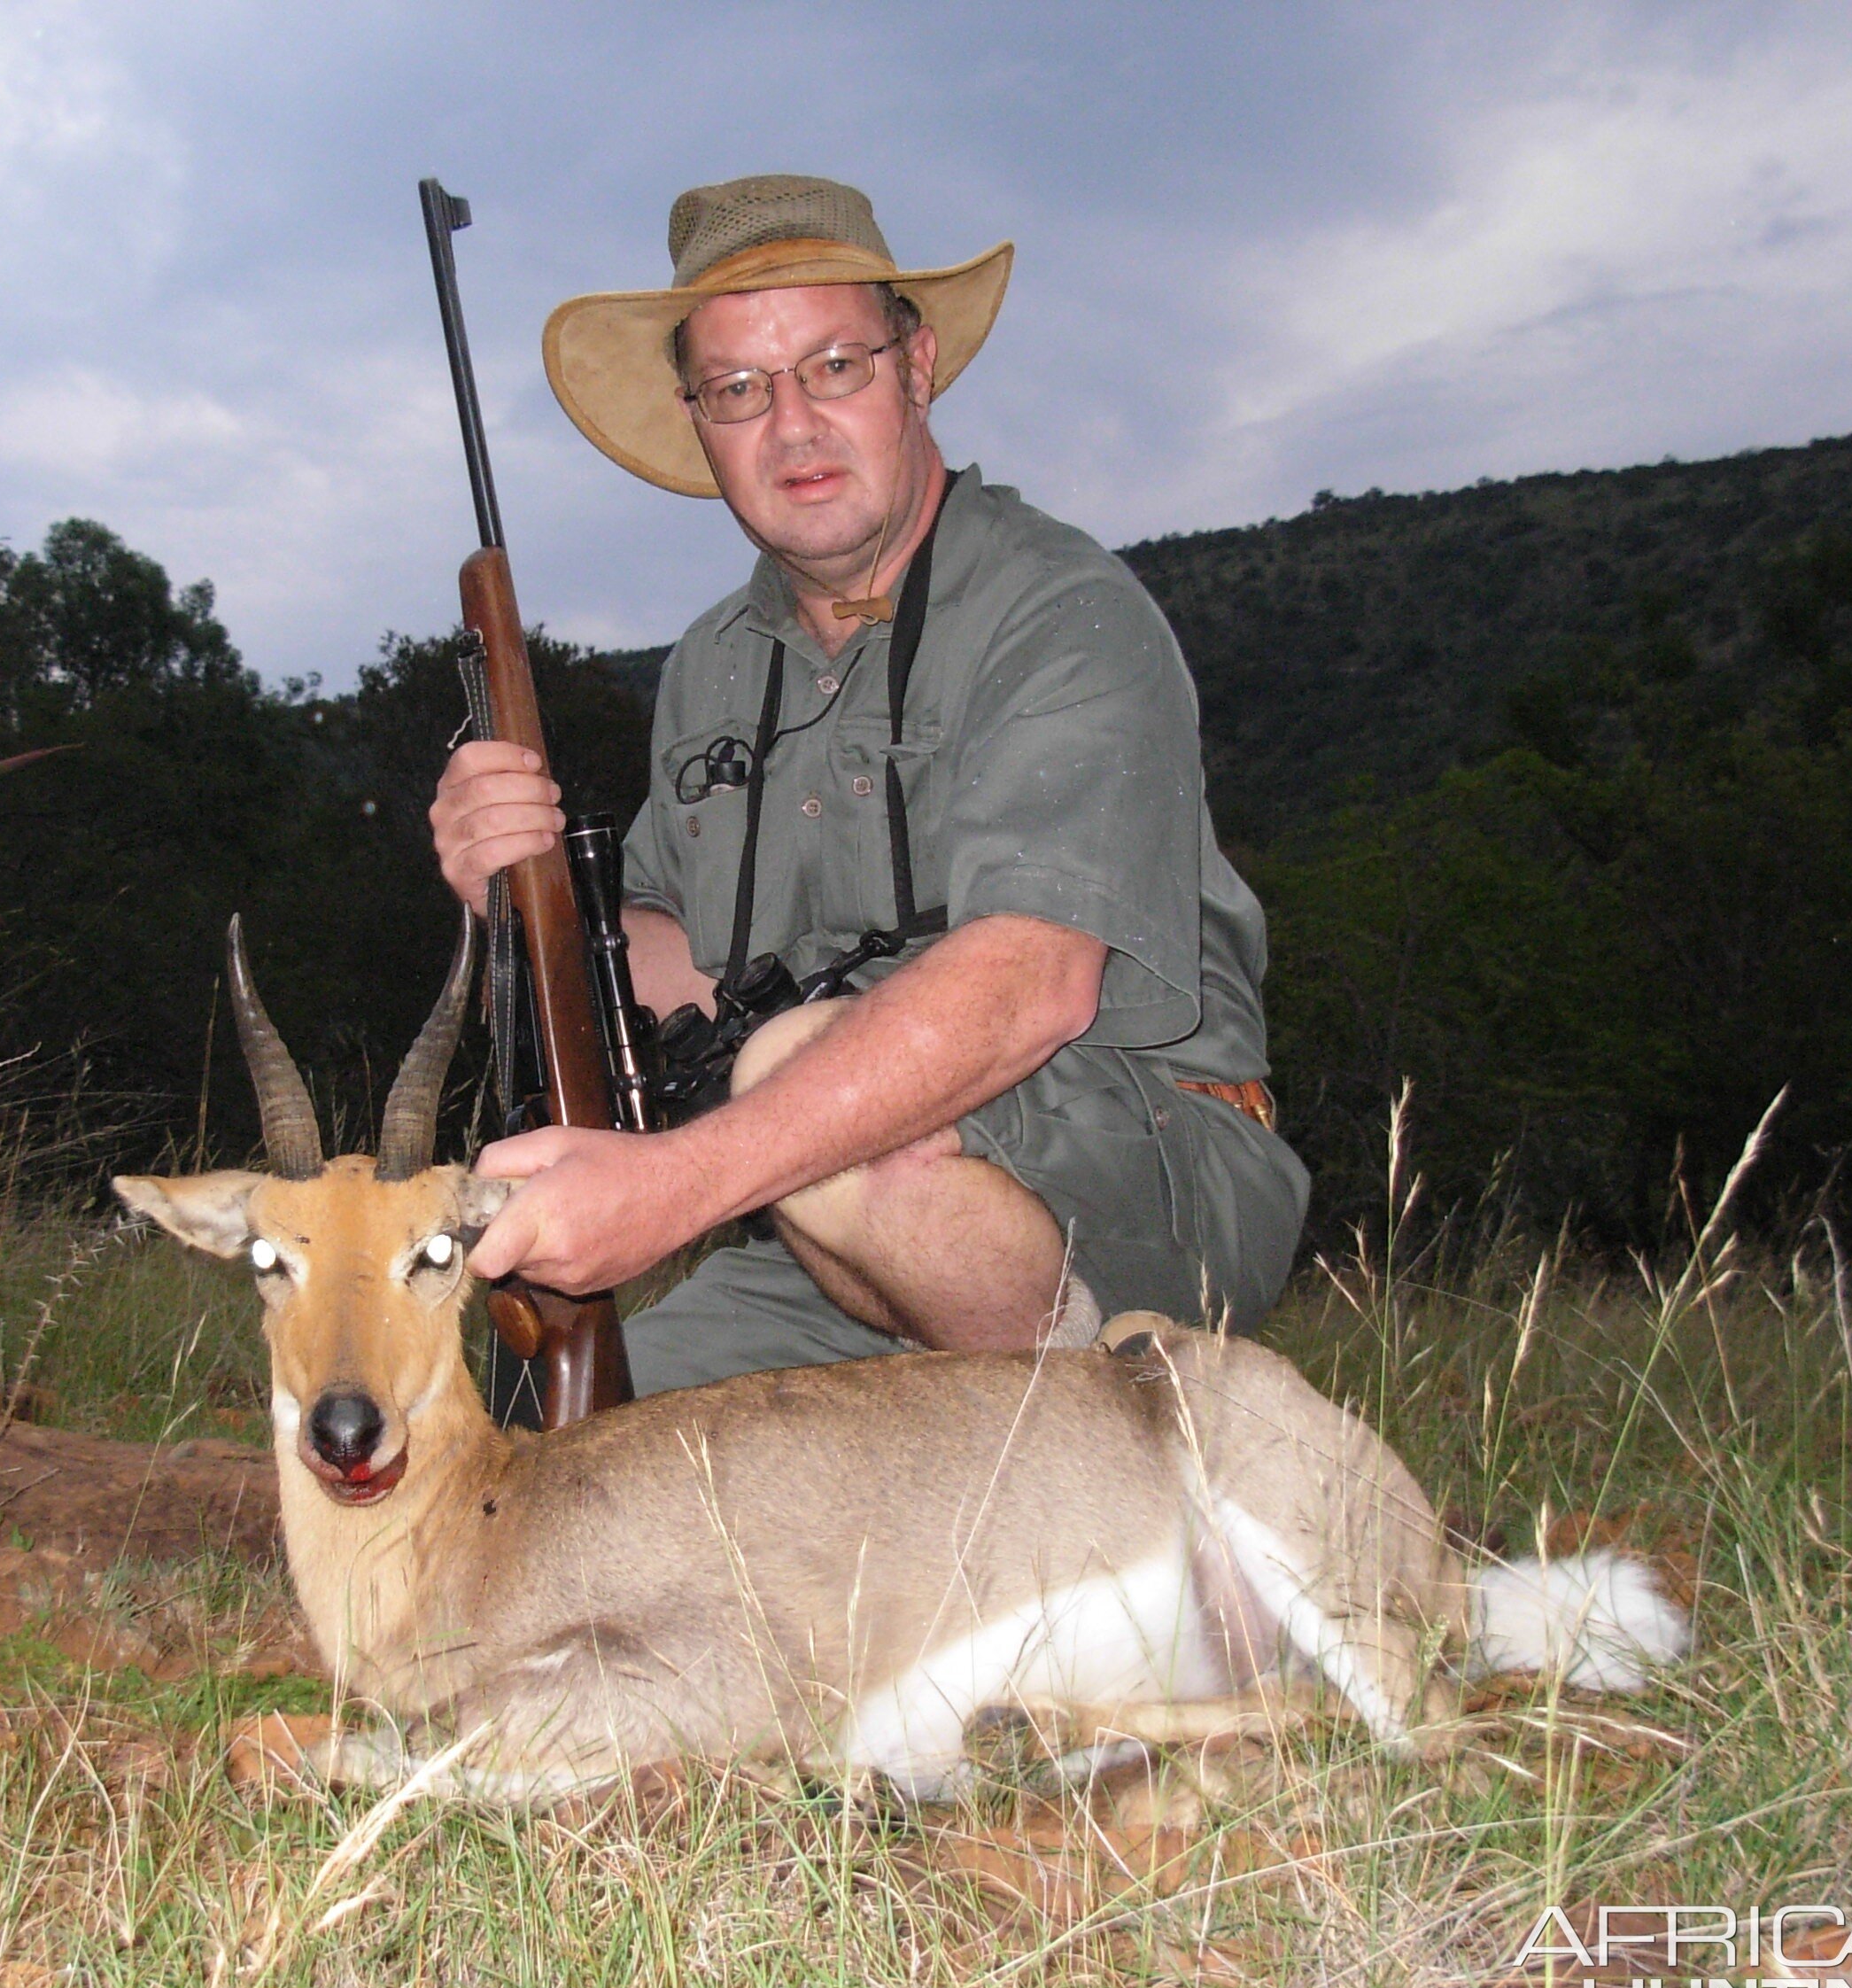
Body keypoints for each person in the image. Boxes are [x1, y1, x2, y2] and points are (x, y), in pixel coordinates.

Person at [432, 174, 1308, 1394]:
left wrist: (672, 1189)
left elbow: (1032, 988)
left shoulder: (1061, 609)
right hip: (830, 1225)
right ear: (698, 420)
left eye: (834, 366)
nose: (790, 426)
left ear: (917, 367)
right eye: (738, 389)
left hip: (1127, 1171)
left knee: (791, 1068)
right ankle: (964, 1471)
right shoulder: (712, 669)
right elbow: (675, 968)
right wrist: (516, 895)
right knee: (546, 1453)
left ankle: (1128, 1442)